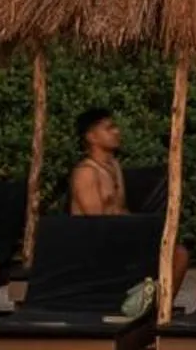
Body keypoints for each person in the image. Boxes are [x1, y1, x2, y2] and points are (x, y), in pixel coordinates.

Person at [68, 109, 188, 304]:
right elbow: (95, 223)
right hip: (95, 243)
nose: (116, 131)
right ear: (91, 137)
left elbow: (120, 209)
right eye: (109, 128)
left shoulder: (114, 165)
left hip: (121, 237)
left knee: (179, 253)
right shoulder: (86, 173)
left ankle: (159, 307)